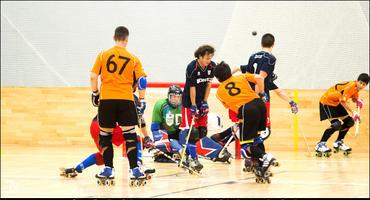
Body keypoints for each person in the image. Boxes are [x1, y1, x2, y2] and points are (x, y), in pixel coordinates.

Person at [60, 78, 155, 179]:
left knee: (104, 157)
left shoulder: (113, 92)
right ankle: (138, 166)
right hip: (110, 126)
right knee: (136, 139)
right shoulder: (130, 98)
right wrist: (147, 137)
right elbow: (141, 121)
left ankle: (76, 169)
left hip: (95, 126)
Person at [90, 26, 147, 185]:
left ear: (113, 37)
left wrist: (95, 94)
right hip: (126, 99)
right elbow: (142, 81)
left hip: (107, 99)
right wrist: (142, 101)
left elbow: (94, 76)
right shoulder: (133, 58)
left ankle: (108, 168)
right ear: (126, 40)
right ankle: (134, 169)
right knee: (129, 135)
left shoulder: (103, 55)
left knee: (105, 135)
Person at [214, 61, 278, 184]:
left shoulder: (219, 92)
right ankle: (262, 167)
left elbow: (228, 106)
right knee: (257, 138)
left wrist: (243, 114)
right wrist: (262, 93)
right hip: (260, 104)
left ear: (217, 78)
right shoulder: (241, 76)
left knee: (246, 146)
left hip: (247, 109)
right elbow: (259, 77)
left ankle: (266, 157)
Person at [150, 85, 232, 164]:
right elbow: (155, 127)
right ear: (168, 96)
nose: (175, 99)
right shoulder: (160, 105)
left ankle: (218, 152)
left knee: (195, 133)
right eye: (173, 97)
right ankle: (179, 151)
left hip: (181, 132)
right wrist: (159, 141)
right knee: (168, 142)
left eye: (178, 97)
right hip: (166, 133)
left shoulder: (185, 105)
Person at [179, 45, 216, 172]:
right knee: (192, 132)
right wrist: (193, 105)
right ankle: (194, 160)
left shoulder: (212, 67)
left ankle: (187, 155)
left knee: (202, 132)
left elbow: (209, 84)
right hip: (189, 102)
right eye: (207, 58)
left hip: (201, 101)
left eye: (210, 58)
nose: (209, 60)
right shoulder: (192, 68)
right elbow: (192, 87)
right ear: (200, 56)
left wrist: (205, 102)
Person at [315, 73, 369, 157]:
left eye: (364, 84)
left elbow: (354, 99)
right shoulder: (350, 86)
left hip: (336, 102)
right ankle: (320, 144)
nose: (361, 85)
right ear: (357, 81)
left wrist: (358, 101)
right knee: (336, 124)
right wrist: (353, 112)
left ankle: (338, 142)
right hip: (327, 102)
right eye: (361, 83)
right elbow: (343, 101)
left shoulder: (356, 89)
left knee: (350, 122)